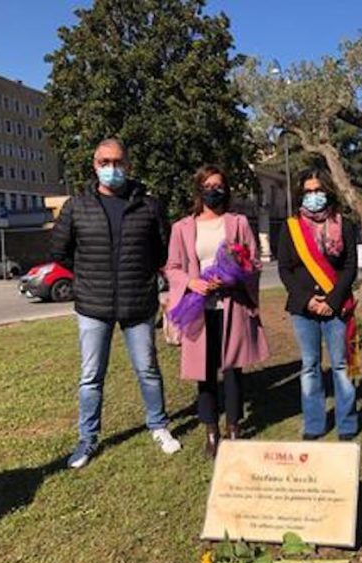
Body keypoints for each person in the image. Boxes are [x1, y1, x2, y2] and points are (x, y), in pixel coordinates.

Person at [51, 138, 181, 469]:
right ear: (94, 165)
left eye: (118, 162)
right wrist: (87, 277)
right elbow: (59, 252)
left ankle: (159, 425)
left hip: (138, 303)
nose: (112, 168)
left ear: (129, 165)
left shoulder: (149, 206)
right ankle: (87, 439)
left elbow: (162, 251)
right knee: (91, 375)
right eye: (105, 162)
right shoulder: (77, 206)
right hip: (93, 306)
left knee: (147, 369)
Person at [165, 165, 269, 458]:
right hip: (198, 310)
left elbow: (255, 263)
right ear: (199, 189)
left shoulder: (237, 223)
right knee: (205, 373)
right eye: (208, 185)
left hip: (231, 305)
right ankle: (211, 432)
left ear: (227, 188)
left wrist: (236, 276)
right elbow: (171, 268)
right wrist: (191, 282)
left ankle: (234, 430)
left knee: (233, 370)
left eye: (219, 185)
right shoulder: (182, 227)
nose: (214, 190)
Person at [278, 168, 358, 441]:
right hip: (303, 308)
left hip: (336, 306)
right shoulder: (291, 227)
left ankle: (346, 423)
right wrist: (308, 300)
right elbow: (285, 270)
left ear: (328, 191)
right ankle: (314, 423)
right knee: (310, 365)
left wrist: (332, 300)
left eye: (317, 190)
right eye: (308, 191)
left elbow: (349, 268)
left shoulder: (343, 224)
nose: (313, 196)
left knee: (341, 364)